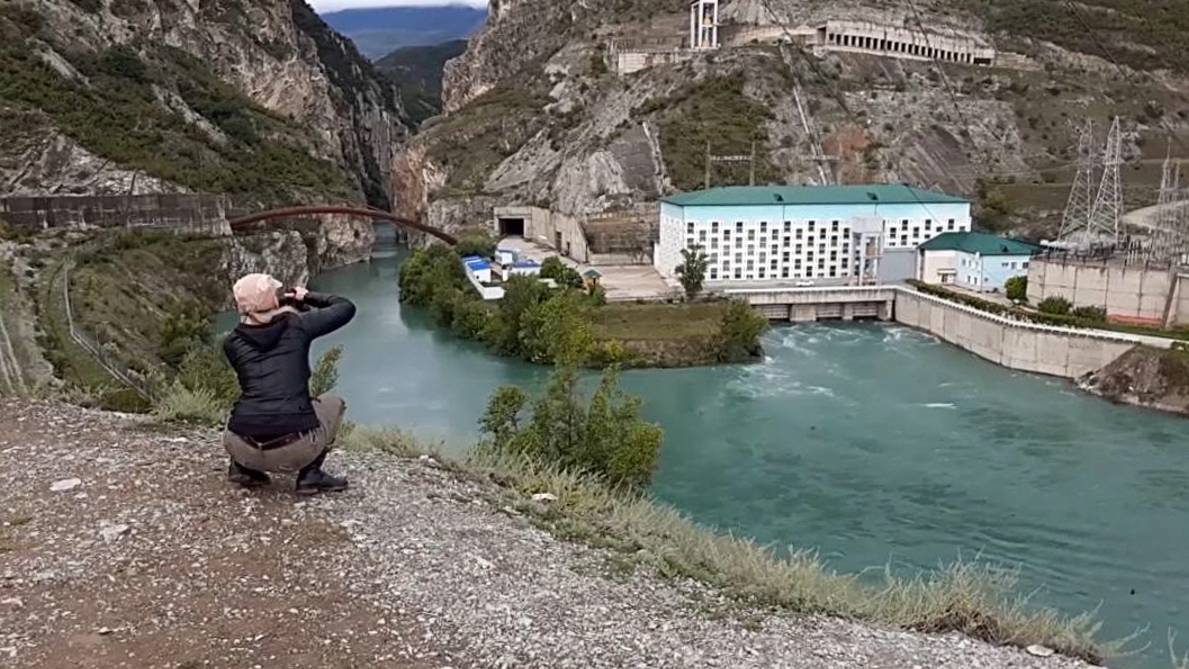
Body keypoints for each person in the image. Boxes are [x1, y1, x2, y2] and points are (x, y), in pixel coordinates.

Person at [222, 273, 356, 496]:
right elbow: (345, 307)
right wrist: (306, 297)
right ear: (274, 300)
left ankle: (242, 468)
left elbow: (256, 333)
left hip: (240, 445)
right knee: (333, 404)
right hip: (295, 449)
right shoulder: (298, 326)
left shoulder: (232, 343)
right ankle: (310, 475)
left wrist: (275, 310)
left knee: (248, 404)